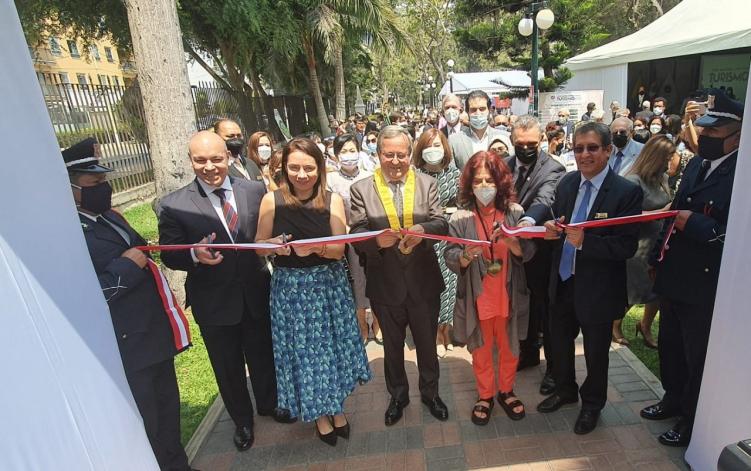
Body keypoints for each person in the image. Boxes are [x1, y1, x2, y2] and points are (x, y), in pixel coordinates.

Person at [158, 131, 294, 453]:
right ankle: (242, 421)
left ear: (229, 157)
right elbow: (169, 252)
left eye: (216, 159)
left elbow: (267, 232)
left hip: (256, 291)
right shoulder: (174, 205)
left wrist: (275, 242)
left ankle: (269, 403)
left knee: (263, 354)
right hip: (214, 301)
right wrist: (194, 255)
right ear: (190, 161)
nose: (209, 167)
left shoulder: (254, 190)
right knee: (227, 365)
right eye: (200, 160)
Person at [65, 138, 193, 471]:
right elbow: (88, 295)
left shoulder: (109, 217)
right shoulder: (71, 234)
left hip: (152, 335)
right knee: (146, 421)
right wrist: (125, 267)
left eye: (105, 182)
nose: (104, 189)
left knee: (168, 413)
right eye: (95, 184)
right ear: (72, 188)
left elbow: (143, 250)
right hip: (126, 346)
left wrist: (193, 251)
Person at [254, 137, 371, 446]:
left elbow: (338, 248)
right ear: (284, 168)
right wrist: (275, 245)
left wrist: (314, 248)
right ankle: (321, 414)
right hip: (291, 291)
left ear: (320, 168)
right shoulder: (271, 200)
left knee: (331, 351)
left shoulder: (332, 200)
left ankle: (336, 407)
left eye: (309, 168)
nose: (301, 175)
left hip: (328, 286)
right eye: (294, 168)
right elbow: (258, 246)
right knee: (305, 356)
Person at [643, 89, 742, 447]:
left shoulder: (741, 176)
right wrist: (656, 256)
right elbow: (674, 212)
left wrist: (695, 225)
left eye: (714, 134)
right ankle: (672, 398)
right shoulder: (698, 164)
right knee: (670, 345)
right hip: (675, 274)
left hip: (706, 280)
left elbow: (734, 233)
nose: (705, 138)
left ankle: (691, 418)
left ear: (737, 137)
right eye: (705, 130)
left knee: (695, 352)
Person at [537, 122, 642, 435]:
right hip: (563, 281)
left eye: (592, 148)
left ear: (608, 150)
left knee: (596, 353)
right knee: (559, 343)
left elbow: (627, 245)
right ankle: (566, 389)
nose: (584, 154)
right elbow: (562, 221)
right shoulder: (568, 183)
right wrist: (553, 229)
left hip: (597, 289)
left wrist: (586, 242)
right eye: (578, 147)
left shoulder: (626, 192)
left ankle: (592, 404)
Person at [349, 125, 450, 426]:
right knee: (392, 348)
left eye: (401, 155)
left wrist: (424, 230)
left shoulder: (427, 183)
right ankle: (398, 396)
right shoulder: (361, 189)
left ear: (410, 154)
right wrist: (375, 242)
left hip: (423, 281)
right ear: (378, 154)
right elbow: (356, 233)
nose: (395, 161)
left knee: (427, 346)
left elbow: (442, 223)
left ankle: (431, 393)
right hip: (385, 282)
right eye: (388, 154)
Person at [444, 151, 535, 425]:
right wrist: (464, 256)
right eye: (478, 181)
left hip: (508, 296)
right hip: (478, 297)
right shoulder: (460, 218)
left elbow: (528, 252)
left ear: (501, 182)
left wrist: (511, 243)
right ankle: (485, 395)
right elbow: (450, 254)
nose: (484, 187)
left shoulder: (515, 213)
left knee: (509, 347)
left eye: (489, 180)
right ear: (469, 185)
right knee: (481, 349)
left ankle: (506, 390)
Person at [504, 116, 566, 397]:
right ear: (512, 140)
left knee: (547, 312)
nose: (526, 148)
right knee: (521, 306)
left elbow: (545, 199)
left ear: (541, 140)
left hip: (541, 254)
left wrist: (527, 222)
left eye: (532, 143)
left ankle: (554, 371)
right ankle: (528, 353)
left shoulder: (553, 168)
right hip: (511, 252)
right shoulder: (503, 166)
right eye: (520, 143)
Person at [326, 134, 381, 344]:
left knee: (375, 279)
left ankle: (377, 322)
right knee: (357, 283)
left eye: (352, 150)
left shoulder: (371, 176)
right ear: (336, 155)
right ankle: (361, 323)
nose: (349, 156)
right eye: (343, 152)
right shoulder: (331, 179)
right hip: (346, 237)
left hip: (371, 236)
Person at [413, 128, 461, 358]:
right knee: (430, 289)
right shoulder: (413, 176)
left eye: (437, 145)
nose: (433, 150)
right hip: (426, 240)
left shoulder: (456, 175)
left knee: (451, 287)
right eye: (428, 146)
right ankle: (433, 333)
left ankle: (446, 329)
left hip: (450, 236)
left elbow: (463, 204)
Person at [622, 135, 674, 350]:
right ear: (656, 157)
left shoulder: (662, 178)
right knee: (633, 291)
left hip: (659, 243)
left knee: (657, 290)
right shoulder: (633, 181)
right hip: (639, 245)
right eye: (668, 157)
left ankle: (645, 326)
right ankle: (615, 326)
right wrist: (665, 211)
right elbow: (629, 215)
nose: (670, 162)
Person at [449, 90, 507, 169]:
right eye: (473, 110)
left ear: (489, 110)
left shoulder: (505, 137)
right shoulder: (454, 141)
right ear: (467, 112)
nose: (478, 113)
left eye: (482, 109)